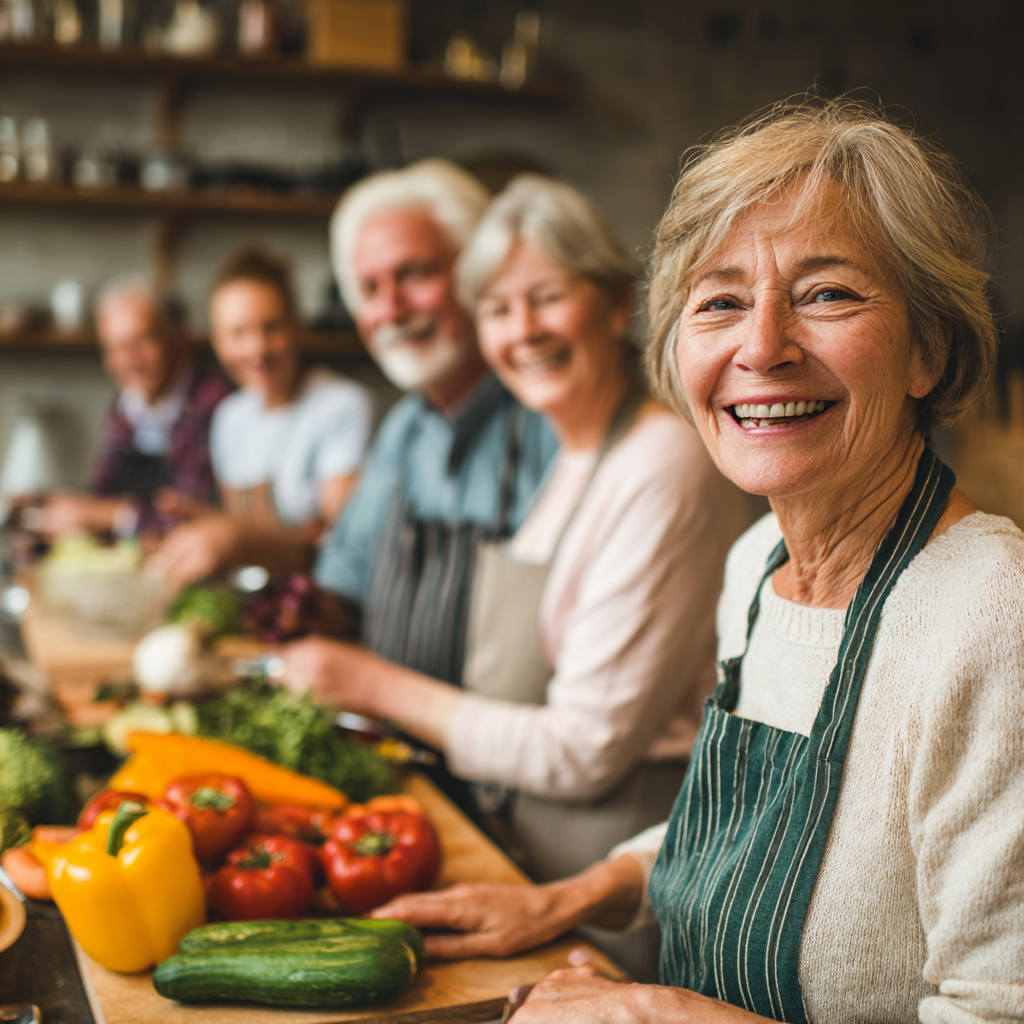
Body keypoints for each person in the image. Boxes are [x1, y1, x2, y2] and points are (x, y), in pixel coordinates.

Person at [367, 98, 1024, 1024]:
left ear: (930, 348)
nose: (761, 347)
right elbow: (737, 833)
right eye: (719, 302)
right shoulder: (757, 564)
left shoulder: (992, 616)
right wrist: (570, 897)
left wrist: (647, 1014)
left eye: (828, 293)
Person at [280, 175, 749, 979]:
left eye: (545, 297)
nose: (521, 331)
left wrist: (370, 684)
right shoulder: (572, 455)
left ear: (610, 302)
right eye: (497, 308)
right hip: (526, 862)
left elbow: (584, 750)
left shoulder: (663, 462)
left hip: (615, 900)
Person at [274, 159, 558, 805]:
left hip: (515, 787)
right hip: (400, 772)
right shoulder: (404, 427)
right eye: (369, 288)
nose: (392, 309)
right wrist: (304, 610)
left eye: (415, 275)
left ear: (479, 274)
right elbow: (346, 574)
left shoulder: (551, 421)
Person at [146, 246, 373, 588]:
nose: (257, 349)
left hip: (319, 604)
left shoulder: (341, 406)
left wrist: (234, 538)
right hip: (251, 598)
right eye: (238, 333)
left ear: (297, 326)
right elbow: (244, 525)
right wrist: (201, 522)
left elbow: (339, 547)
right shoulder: (229, 417)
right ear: (219, 342)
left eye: (271, 327)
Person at [41, 275, 230, 540]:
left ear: (177, 337)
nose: (128, 360)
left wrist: (109, 516)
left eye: (141, 341)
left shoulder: (213, 404)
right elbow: (103, 494)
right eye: (115, 348)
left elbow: (190, 515)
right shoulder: (124, 408)